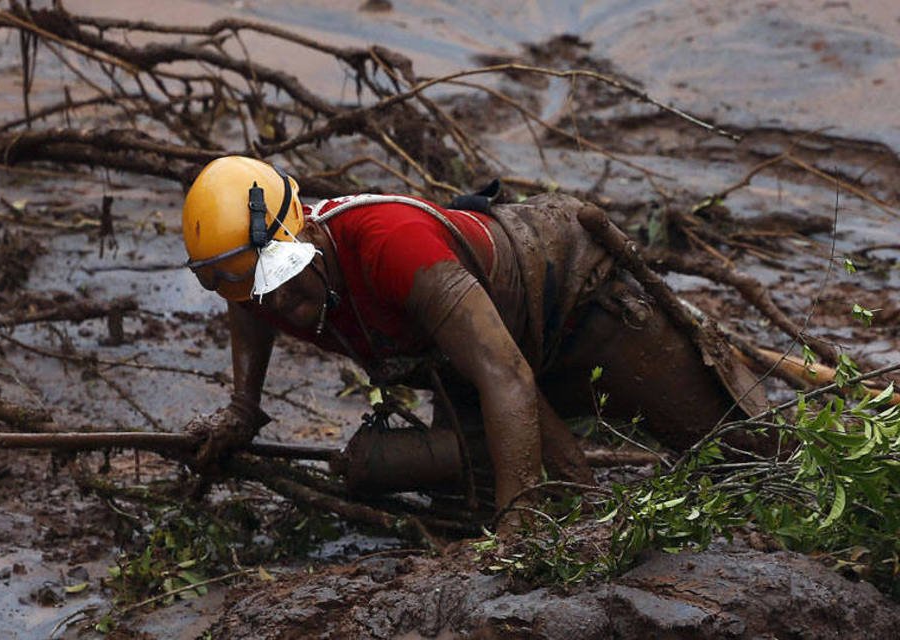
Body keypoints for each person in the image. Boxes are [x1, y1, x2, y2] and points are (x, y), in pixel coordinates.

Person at [180, 156, 765, 517]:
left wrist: (517, 532)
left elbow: (507, 375)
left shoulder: (391, 244)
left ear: (303, 227)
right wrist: (242, 408)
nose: (279, 301)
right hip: (465, 364)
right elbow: (250, 309)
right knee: (543, 502)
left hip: (574, 307)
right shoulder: (257, 287)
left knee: (752, 458)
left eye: (283, 277)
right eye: (256, 289)